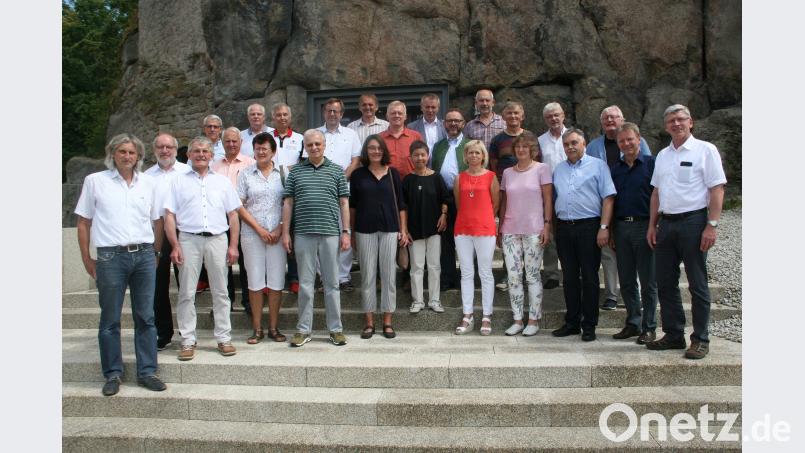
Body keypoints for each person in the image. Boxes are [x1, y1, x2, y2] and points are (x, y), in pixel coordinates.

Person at [75, 133, 166, 396]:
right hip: (110, 257)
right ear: (112, 154)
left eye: (132, 152)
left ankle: (147, 371)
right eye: (122, 151)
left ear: (139, 156)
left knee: (146, 317)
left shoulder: (148, 184)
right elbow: (84, 222)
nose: (127, 156)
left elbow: (158, 220)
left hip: (144, 256)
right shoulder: (95, 182)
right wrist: (85, 258)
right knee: (110, 319)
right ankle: (112, 373)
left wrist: (156, 252)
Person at [646, 104, 726, 360]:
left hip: (693, 222)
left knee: (697, 284)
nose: (676, 124)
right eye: (671, 121)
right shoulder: (662, 155)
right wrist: (652, 224)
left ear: (690, 122)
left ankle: (701, 339)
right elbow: (656, 192)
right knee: (665, 283)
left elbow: (717, 189)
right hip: (666, 224)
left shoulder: (705, 150)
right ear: (666, 125)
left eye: (681, 119)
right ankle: (673, 333)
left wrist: (711, 225)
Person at [164, 136, 241, 361]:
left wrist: (234, 245)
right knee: (187, 292)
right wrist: (175, 244)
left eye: (205, 151)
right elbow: (169, 215)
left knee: (221, 291)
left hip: (218, 239)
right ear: (188, 155)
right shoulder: (177, 181)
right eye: (196, 151)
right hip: (188, 239)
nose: (200, 154)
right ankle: (187, 340)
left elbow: (233, 215)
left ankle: (224, 338)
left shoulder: (223, 182)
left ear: (211, 155)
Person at [281, 129, 351, 347]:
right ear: (305, 146)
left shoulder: (337, 171)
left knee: (332, 283)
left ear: (324, 145)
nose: (314, 148)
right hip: (303, 234)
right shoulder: (296, 172)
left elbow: (344, 203)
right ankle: (303, 330)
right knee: (305, 284)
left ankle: (336, 329)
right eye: (309, 145)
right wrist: (285, 233)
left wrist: (346, 231)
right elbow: (288, 203)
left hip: (330, 233)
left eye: (317, 144)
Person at [551, 129, 616, 342]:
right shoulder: (559, 169)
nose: (570, 147)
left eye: (574, 143)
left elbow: (608, 198)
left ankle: (589, 325)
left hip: (589, 227)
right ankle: (572, 322)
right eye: (567, 144)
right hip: (564, 228)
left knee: (589, 277)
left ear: (584, 143)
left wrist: (604, 227)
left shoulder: (598, 166)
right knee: (569, 277)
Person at [586, 105, 653, 311]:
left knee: (642, 266)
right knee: (612, 257)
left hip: (640, 214)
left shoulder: (647, 155)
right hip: (609, 208)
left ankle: (641, 308)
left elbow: (652, 184)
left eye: (614, 117)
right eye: (605, 118)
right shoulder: (595, 147)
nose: (610, 121)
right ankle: (614, 296)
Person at [350, 135, 410, 339]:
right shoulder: (358, 175)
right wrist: (350, 232)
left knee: (388, 277)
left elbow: (401, 205)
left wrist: (403, 229)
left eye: (378, 148)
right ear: (366, 152)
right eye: (371, 148)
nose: (375, 151)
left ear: (384, 151)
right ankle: (369, 323)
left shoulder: (393, 173)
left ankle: (387, 322)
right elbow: (353, 207)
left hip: (390, 229)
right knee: (367, 277)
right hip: (364, 229)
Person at [497, 132, 553, 336]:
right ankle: (517, 319)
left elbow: (548, 200)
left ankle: (533, 320)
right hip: (511, 229)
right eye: (518, 147)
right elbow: (504, 203)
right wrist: (500, 228)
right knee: (513, 276)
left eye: (525, 146)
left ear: (533, 150)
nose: (521, 150)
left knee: (532, 275)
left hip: (534, 229)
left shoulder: (542, 169)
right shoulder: (508, 173)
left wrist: (547, 225)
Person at [609, 122, 658, 344]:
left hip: (645, 226)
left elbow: (660, 196)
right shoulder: (615, 169)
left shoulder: (651, 164)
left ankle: (649, 327)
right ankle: (633, 322)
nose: (626, 144)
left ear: (639, 139)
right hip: (621, 227)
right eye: (621, 141)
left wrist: (655, 226)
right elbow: (611, 201)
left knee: (648, 281)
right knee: (627, 280)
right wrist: (609, 229)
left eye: (630, 139)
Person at [237, 132, 287, 344]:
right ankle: (257, 329)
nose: (260, 152)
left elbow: (289, 203)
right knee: (255, 281)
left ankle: (273, 328)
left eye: (264, 148)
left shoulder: (284, 174)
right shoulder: (245, 174)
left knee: (276, 282)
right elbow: (238, 205)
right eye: (257, 149)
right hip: (252, 233)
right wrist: (259, 229)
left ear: (273, 151)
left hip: (277, 235)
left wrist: (280, 228)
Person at [144, 133, 191, 350]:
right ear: (154, 150)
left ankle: (187, 332)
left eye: (169, 147)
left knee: (186, 284)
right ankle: (163, 333)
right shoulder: (146, 176)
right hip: (156, 233)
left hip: (184, 230)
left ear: (175, 149)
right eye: (161, 147)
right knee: (158, 284)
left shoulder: (187, 171)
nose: (165, 151)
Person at [453, 140, 500, 335]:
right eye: (470, 152)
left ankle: (487, 315)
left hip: (485, 228)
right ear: (465, 156)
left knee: (486, 272)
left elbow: (495, 204)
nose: (473, 156)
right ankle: (468, 314)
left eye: (477, 153)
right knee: (466, 272)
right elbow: (458, 202)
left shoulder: (491, 176)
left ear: (483, 156)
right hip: (463, 228)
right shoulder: (460, 178)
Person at [315, 98, 362, 292]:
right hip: (320, 191)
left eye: (336, 111)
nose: (332, 114)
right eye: (329, 111)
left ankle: (343, 277)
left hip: (344, 189)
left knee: (345, 232)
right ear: (324, 113)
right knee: (320, 234)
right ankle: (321, 276)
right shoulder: (316, 134)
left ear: (342, 114)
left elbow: (356, 160)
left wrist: (340, 179)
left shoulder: (351, 134)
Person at [212, 127, 256, 315]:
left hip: (245, 219)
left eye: (234, 141)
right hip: (221, 220)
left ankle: (248, 302)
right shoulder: (214, 166)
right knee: (223, 264)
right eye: (227, 141)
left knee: (247, 263)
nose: (231, 144)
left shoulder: (251, 163)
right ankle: (226, 303)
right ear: (222, 143)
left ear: (241, 142)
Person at [403, 140, 450, 314]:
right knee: (416, 267)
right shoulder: (408, 180)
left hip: (434, 229)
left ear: (428, 156)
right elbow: (403, 207)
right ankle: (417, 301)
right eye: (416, 155)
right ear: (411, 158)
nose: (420, 158)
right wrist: (404, 229)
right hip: (414, 231)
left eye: (423, 154)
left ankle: (434, 300)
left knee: (434, 265)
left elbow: (446, 199)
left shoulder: (436, 178)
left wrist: (444, 215)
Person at [430, 108, 470, 292]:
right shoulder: (438, 146)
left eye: (457, 120)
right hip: (443, 197)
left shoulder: (470, 145)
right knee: (445, 239)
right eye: (450, 121)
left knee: (465, 239)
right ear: (444, 124)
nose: (453, 124)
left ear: (463, 123)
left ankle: (467, 277)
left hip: (465, 196)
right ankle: (447, 278)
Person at [536, 102, 568, 290]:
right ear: (545, 119)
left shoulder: (574, 136)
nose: (554, 119)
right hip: (548, 193)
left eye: (556, 115)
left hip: (571, 193)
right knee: (549, 235)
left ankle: (570, 270)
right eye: (549, 116)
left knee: (568, 234)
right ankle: (551, 274)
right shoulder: (540, 141)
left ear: (563, 115)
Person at [379, 100, 423, 180]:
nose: (397, 115)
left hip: (412, 182)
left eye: (400, 113)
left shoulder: (416, 136)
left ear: (405, 116)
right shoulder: (379, 138)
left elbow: (423, 160)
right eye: (393, 113)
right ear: (387, 116)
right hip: (387, 182)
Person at [488, 101, 530, 179]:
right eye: (509, 113)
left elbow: (537, 161)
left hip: (529, 182)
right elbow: (493, 165)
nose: (513, 116)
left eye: (516, 113)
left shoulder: (530, 138)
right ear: (503, 117)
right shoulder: (496, 140)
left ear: (522, 116)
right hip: (505, 184)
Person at [270, 102, 304, 168]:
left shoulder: (300, 138)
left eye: (285, 114)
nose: (282, 118)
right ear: (273, 118)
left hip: (293, 177)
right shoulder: (267, 137)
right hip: (271, 176)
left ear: (290, 117)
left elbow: (305, 161)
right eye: (278, 115)